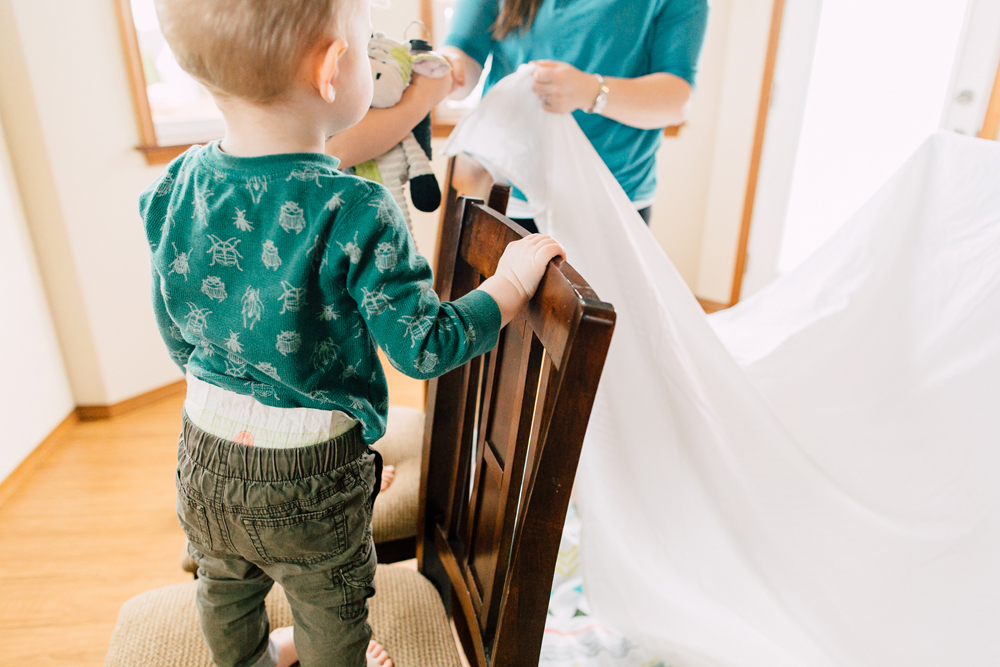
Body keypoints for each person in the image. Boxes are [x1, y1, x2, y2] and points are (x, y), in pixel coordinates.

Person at [141, 0, 566, 664]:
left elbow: (176, 327)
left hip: (202, 455)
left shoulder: (179, 183)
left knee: (225, 590)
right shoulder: (355, 207)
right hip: (308, 480)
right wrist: (508, 285)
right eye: (368, 41)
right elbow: (424, 345)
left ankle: (251, 657)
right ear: (334, 68)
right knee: (331, 606)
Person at [442, 0, 709, 232]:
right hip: (508, 188)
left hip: (613, 199)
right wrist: (446, 69)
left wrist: (591, 91)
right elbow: (463, 55)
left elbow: (675, 99)